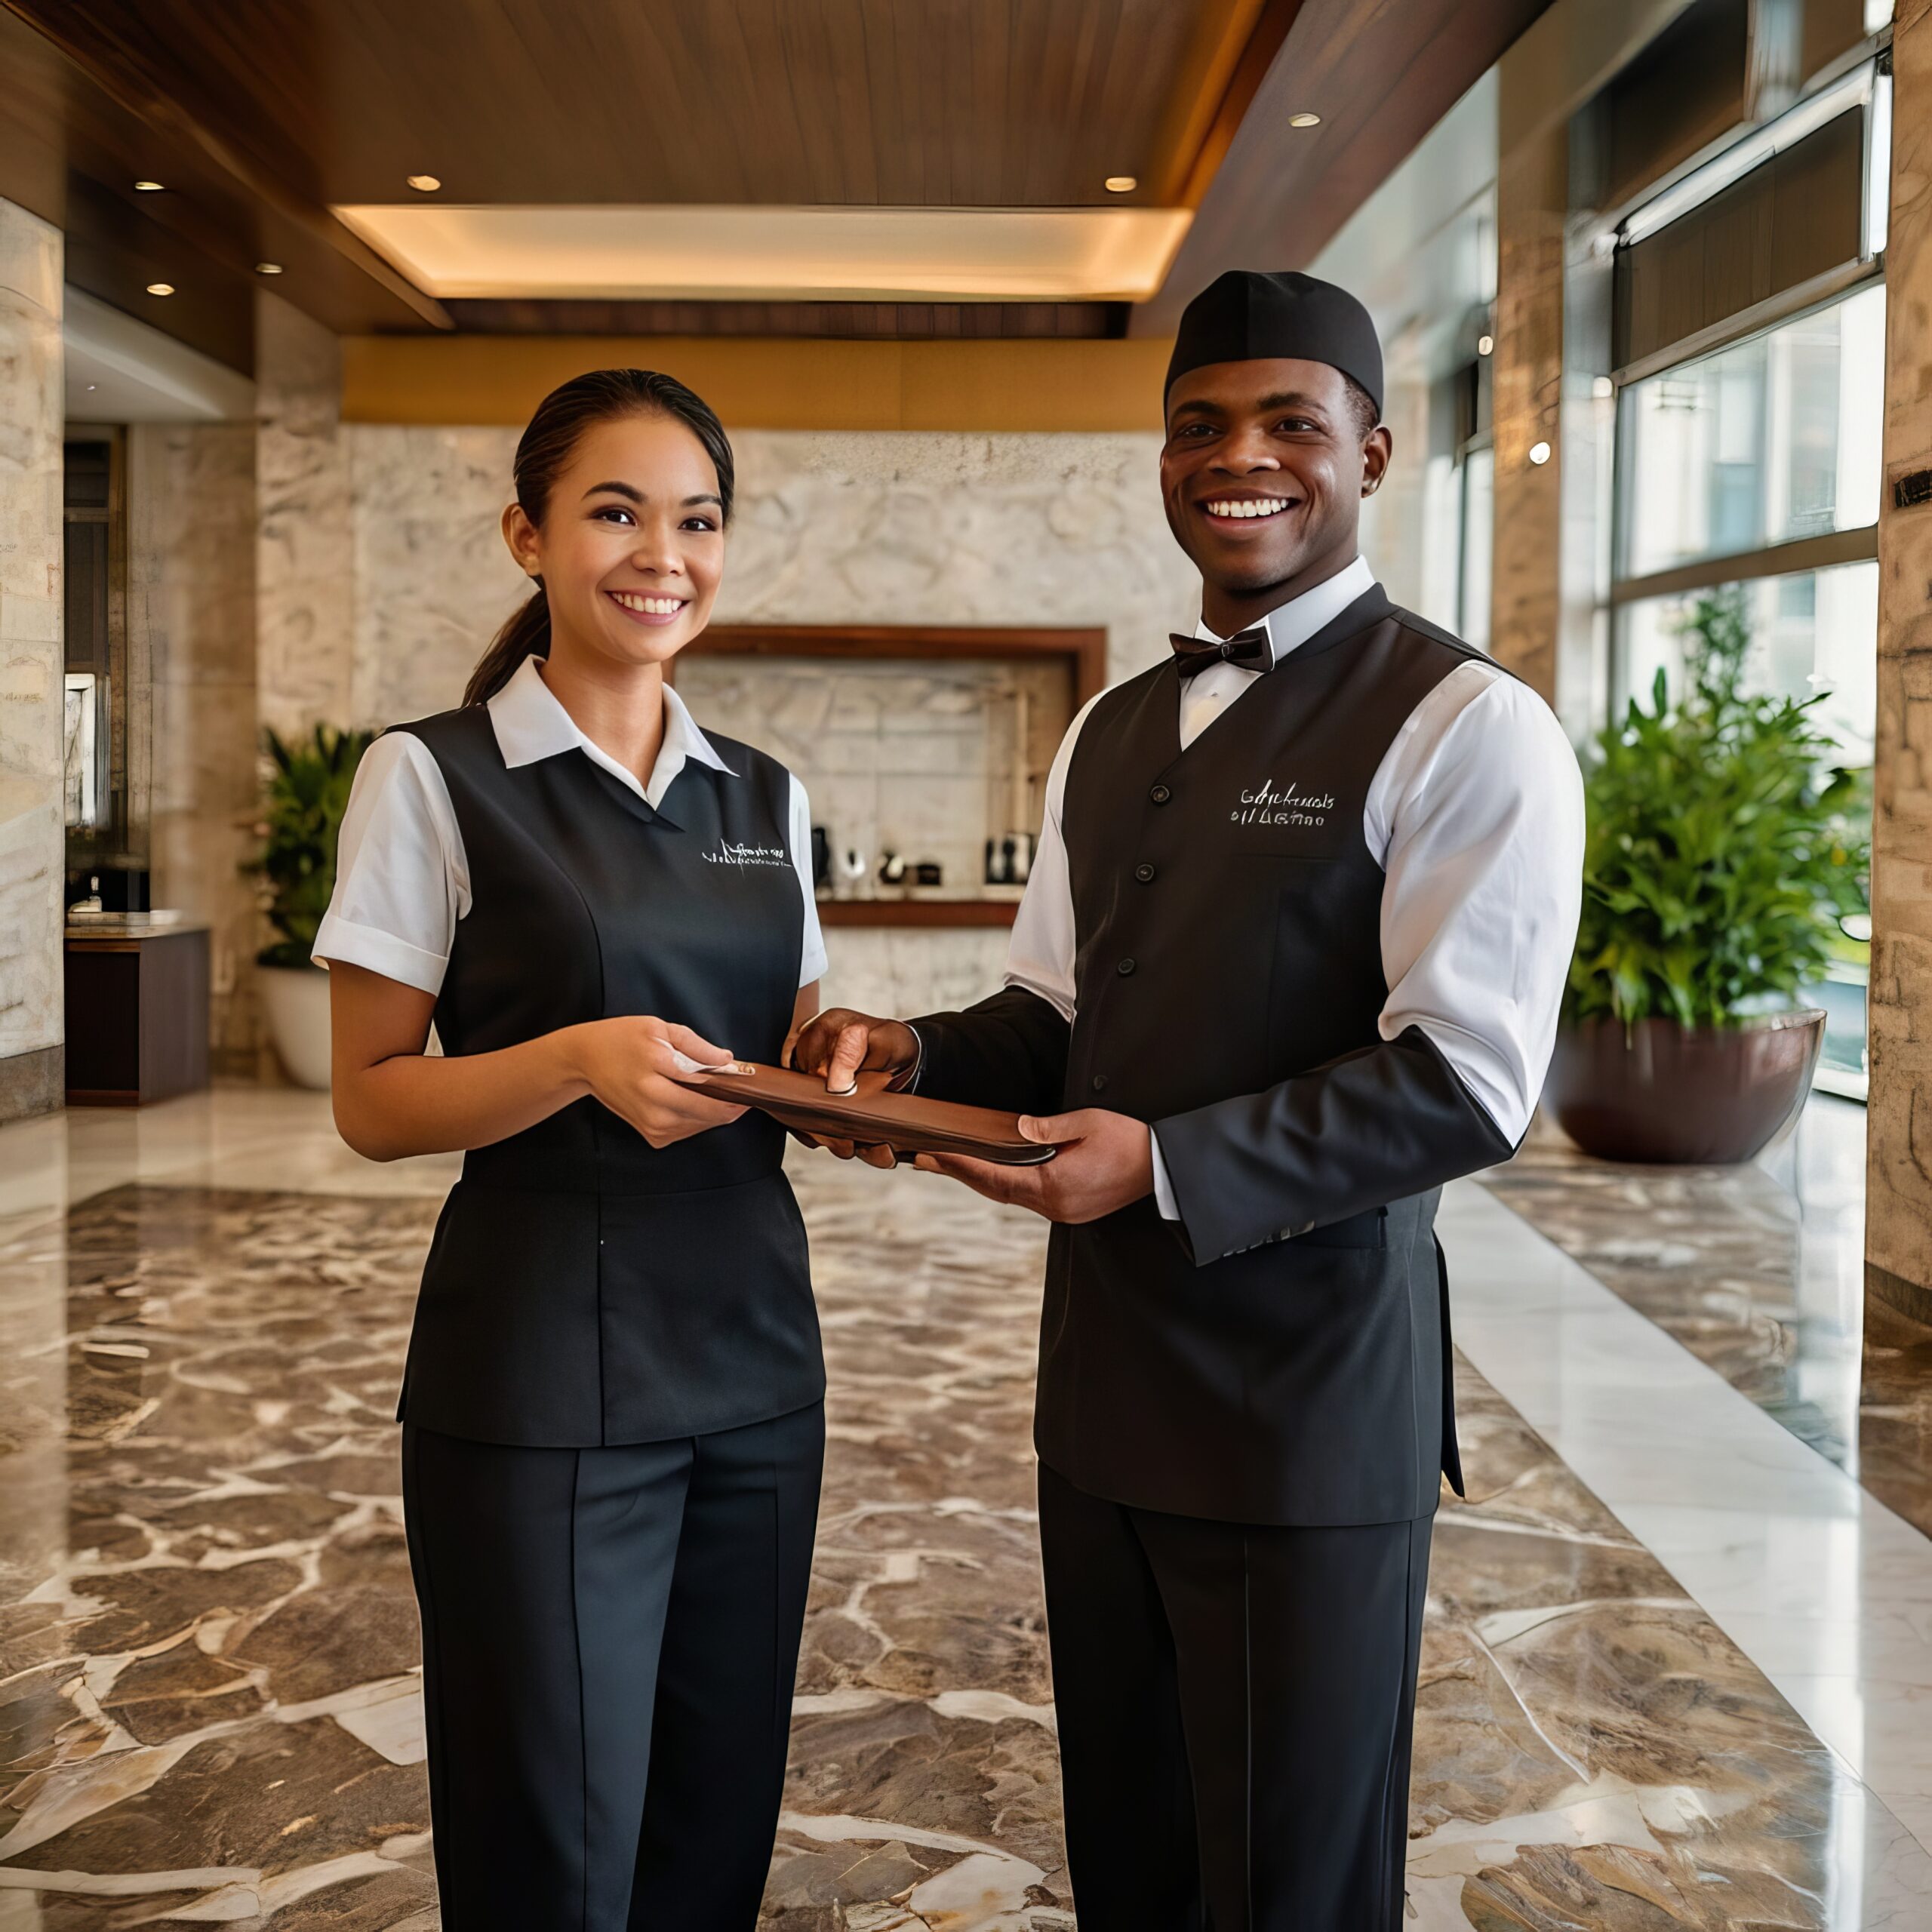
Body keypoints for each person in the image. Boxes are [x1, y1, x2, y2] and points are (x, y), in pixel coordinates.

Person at [793, 271, 1584, 1930]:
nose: (1240, 458)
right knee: (1137, 1852)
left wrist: (1160, 1164)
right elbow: (1056, 1014)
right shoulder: (1107, 722)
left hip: (1302, 1411)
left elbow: (1465, 1080)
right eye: (1199, 425)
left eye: (1289, 422)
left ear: (1371, 448)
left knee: (1288, 1877)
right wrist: (916, 1057)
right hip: (1099, 1398)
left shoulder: (1466, 724)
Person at [315, 369, 828, 1930]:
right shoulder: (432, 773)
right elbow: (372, 1098)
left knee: (711, 1808)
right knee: (553, 1827)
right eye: (614, 509)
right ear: (525, 533)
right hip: (539, 1369)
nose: (658, 551)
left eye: (696, 518)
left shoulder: (768, 793)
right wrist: (572, 1060)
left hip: (754, 1358)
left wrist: (857, 1072)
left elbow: (788, 1051)